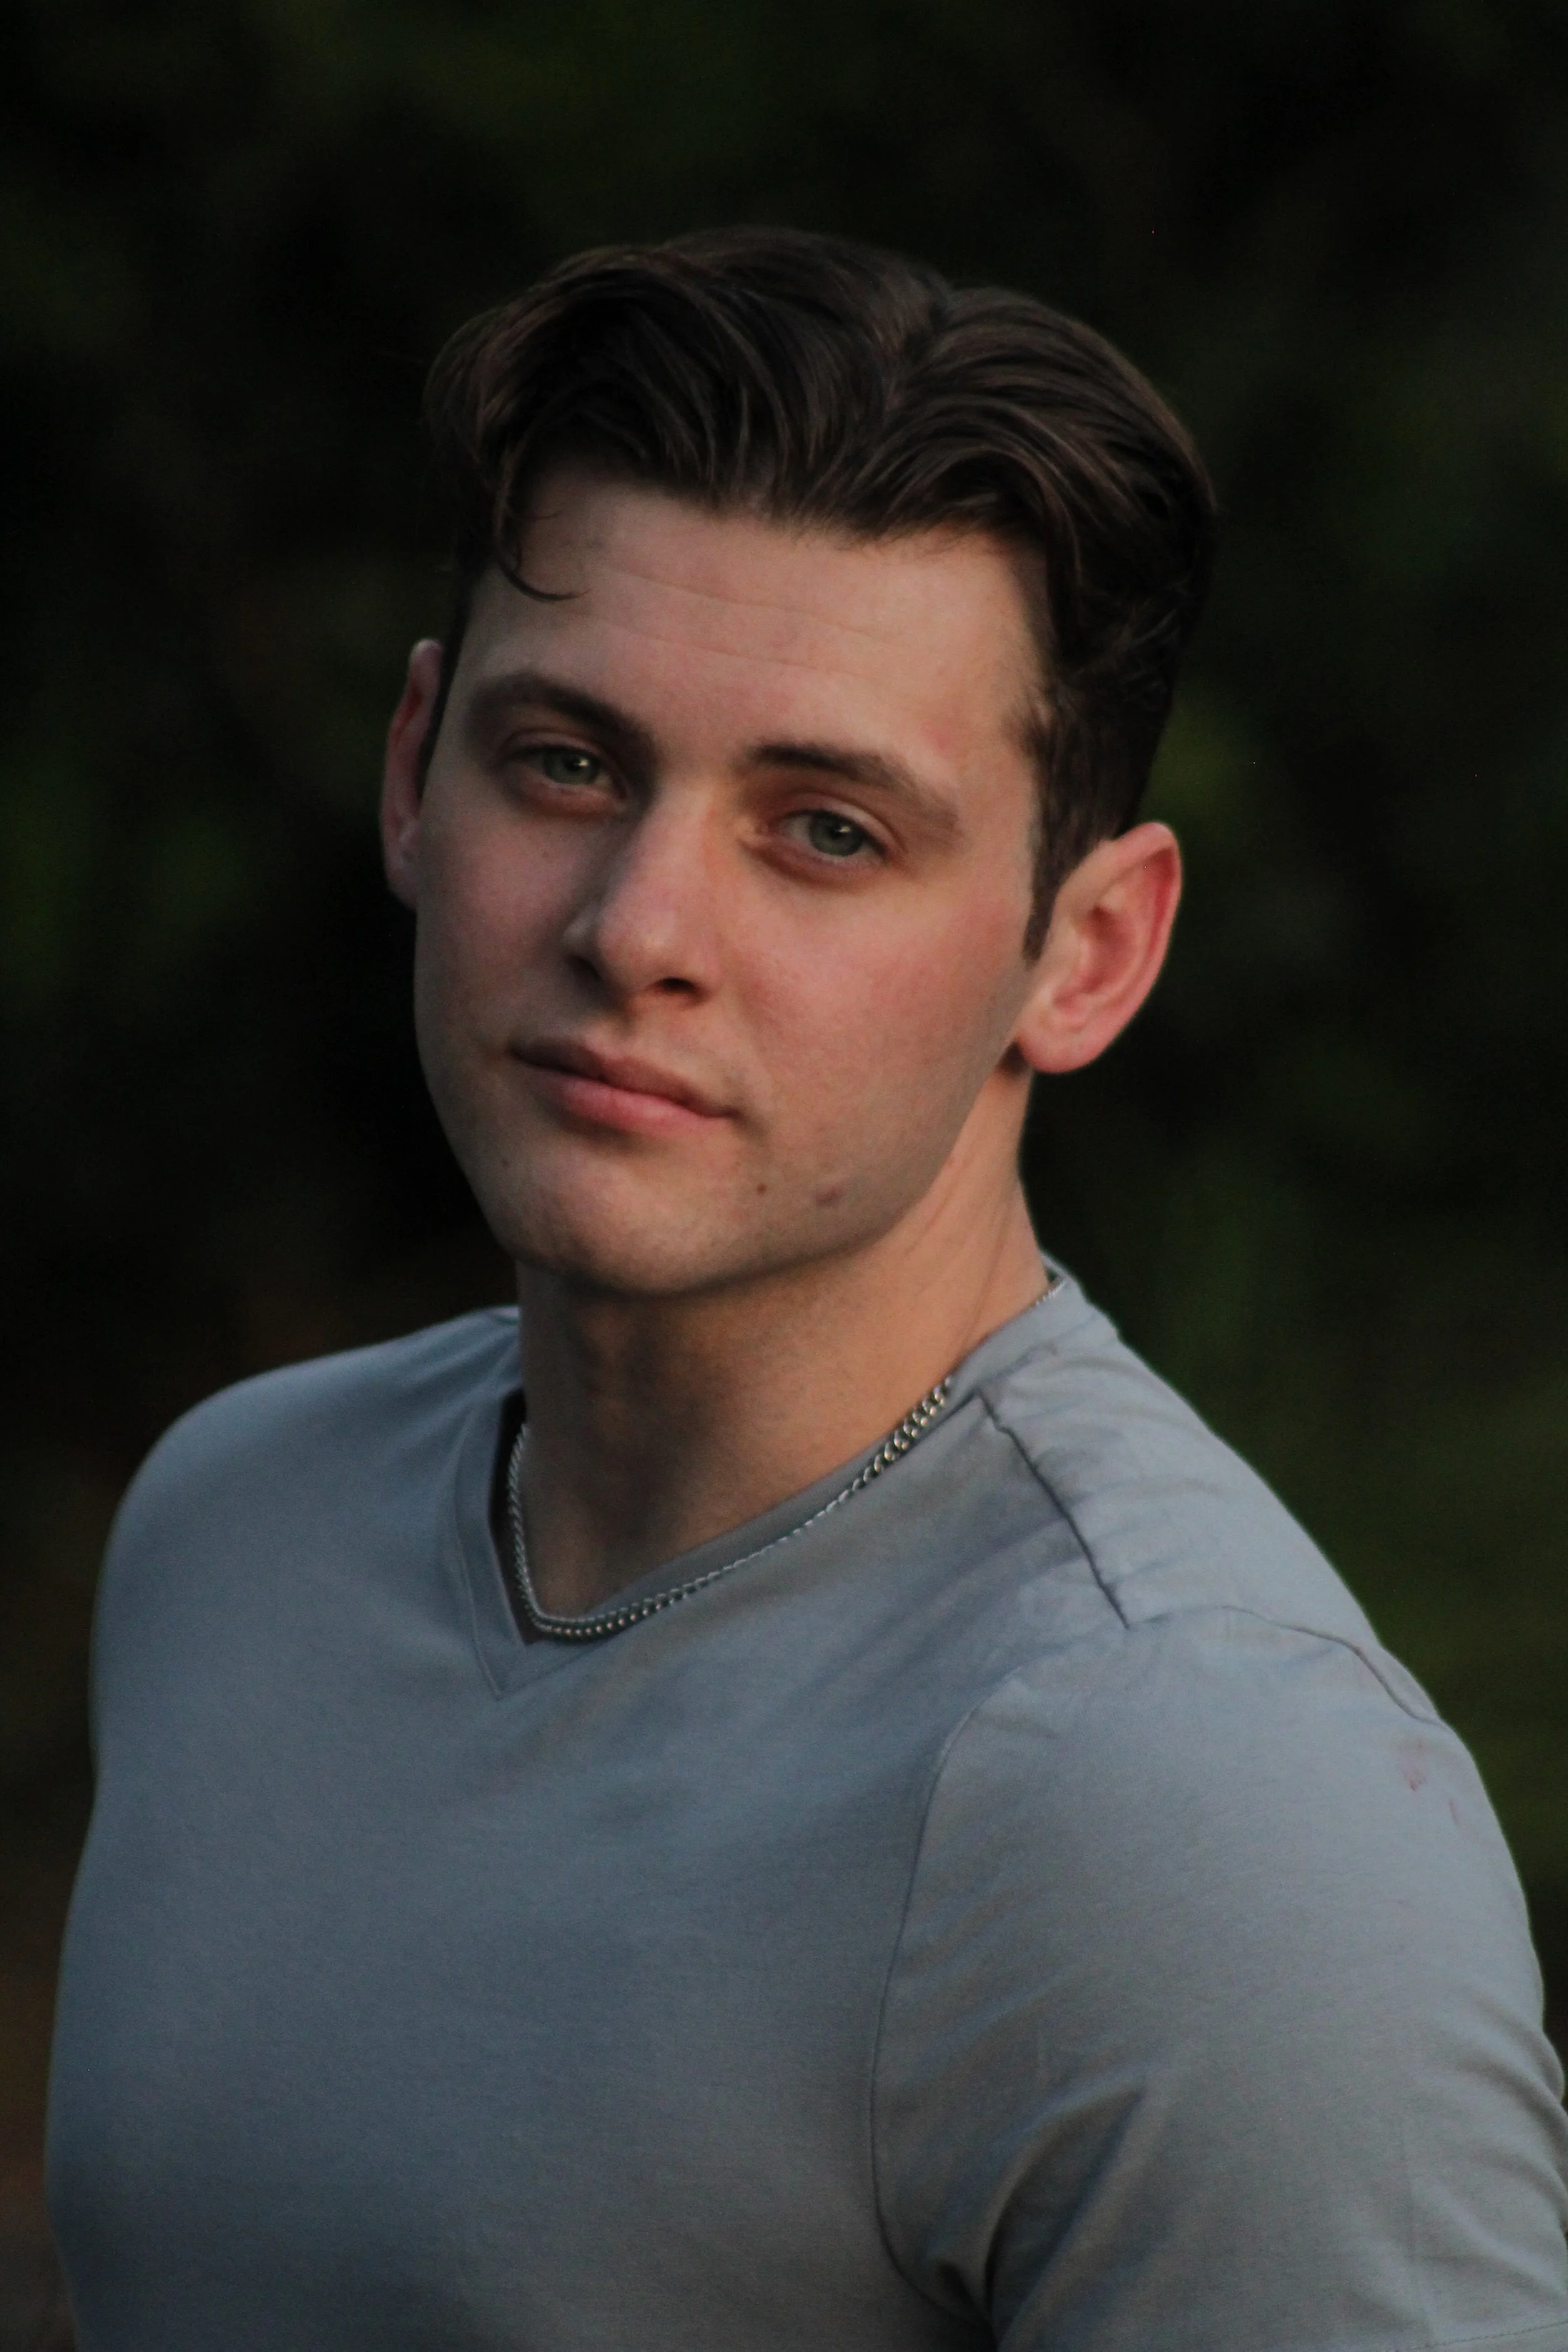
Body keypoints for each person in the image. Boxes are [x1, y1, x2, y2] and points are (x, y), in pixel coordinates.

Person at [46, 228, 1568, 2352]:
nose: (637, 922)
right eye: (565, 760)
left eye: (827, 828)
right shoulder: (237, 1518)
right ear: (415, 769)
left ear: (1089, 951)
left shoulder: (1201, 1810)